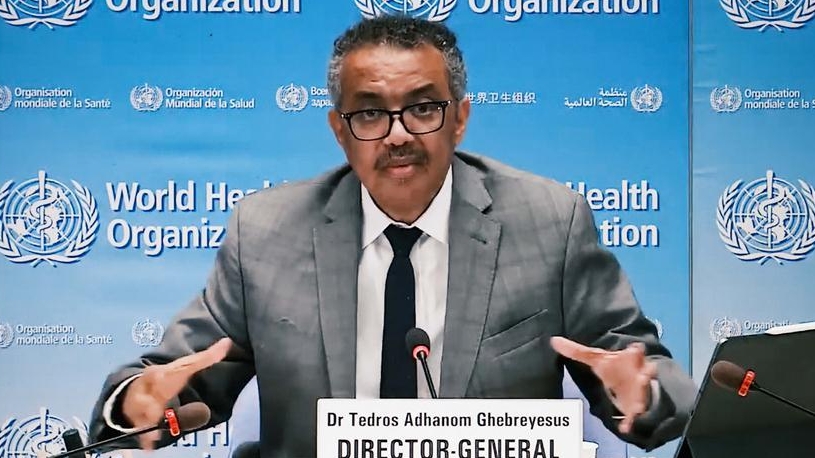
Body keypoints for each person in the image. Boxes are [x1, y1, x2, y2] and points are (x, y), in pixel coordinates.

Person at [88, 14, 696, 457]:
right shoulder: (267, 234)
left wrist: (642, 393)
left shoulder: (548, 222)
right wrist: (139, 403)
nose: (398, 134)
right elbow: (170, 378)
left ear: (460, 118)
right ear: (339, 130)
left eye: (423, 108)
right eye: (371, 113)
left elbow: (650, 377)